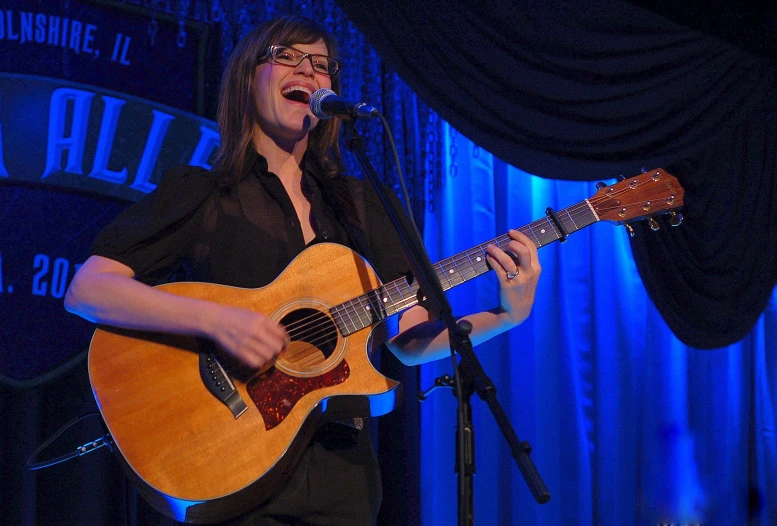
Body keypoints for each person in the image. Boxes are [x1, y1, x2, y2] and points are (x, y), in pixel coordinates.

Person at [64, 14, 541, 526]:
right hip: (233, 463)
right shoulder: (203, 194)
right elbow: (90, 288)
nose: (309, 72)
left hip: (343, 478)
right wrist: (216, 321)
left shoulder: (362, 208)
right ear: (247, 78)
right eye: (286, 57)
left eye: (321, 65)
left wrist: (509, 313)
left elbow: (407, 340)